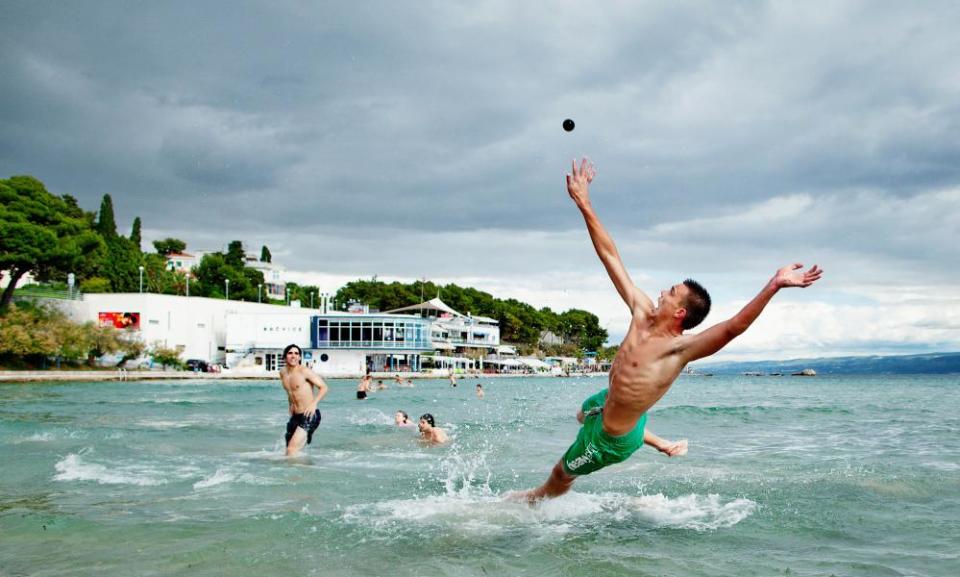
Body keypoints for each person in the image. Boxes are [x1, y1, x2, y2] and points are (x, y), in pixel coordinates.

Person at [517, 158, 823, 502]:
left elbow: (733, 328)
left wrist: (774, 284)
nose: (662, 291)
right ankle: (661, 442)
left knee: (561, 473)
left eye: (671, 291)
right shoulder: (641, 311)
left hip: (611, 439)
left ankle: (531, 504)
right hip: (608, 402)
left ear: (679, 312)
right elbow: (610, 257)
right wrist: (584, 204)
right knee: (584, 411)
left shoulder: (678, 352)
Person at [279, 344, 329, 457]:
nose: (293, 356)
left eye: (296, 353)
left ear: (300, 358)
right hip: (295, 416)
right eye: (290, 353)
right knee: (288, 452)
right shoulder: (283, 373)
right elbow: (290, 391)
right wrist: (290, 404)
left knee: (291, 450)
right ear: (285, 356)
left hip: (310, 415)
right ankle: (302, 471)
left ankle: (298, 474)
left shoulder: (304, 371)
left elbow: (324, 387)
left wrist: (313, 404)